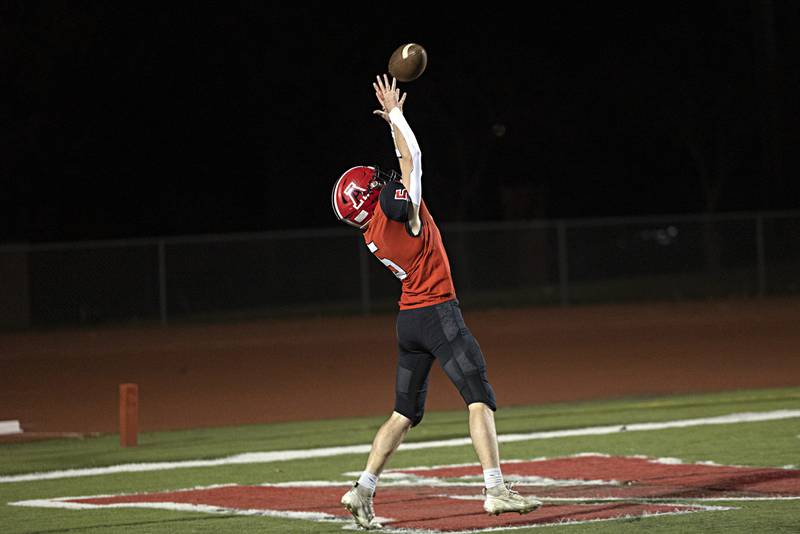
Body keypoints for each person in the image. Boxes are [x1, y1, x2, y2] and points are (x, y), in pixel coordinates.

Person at [331, 74, 541, 530]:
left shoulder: (371, 232)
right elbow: (414, 159)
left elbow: (404, 162)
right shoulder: (403, 215)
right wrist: (397, 115)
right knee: (479, 397)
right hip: (438, 314)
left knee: (403, 413)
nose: (387, 179)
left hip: (409, 322)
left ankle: (362, 488)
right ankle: (495, 489)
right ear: (374, 196)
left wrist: (391, 122)